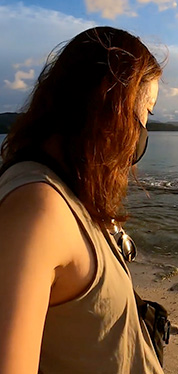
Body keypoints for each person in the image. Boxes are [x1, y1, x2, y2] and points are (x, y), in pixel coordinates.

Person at [0, 26, 164, 373]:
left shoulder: (66, 189)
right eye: (145, 114)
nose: (141, 136)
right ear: (112, 111)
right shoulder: (37, 210)